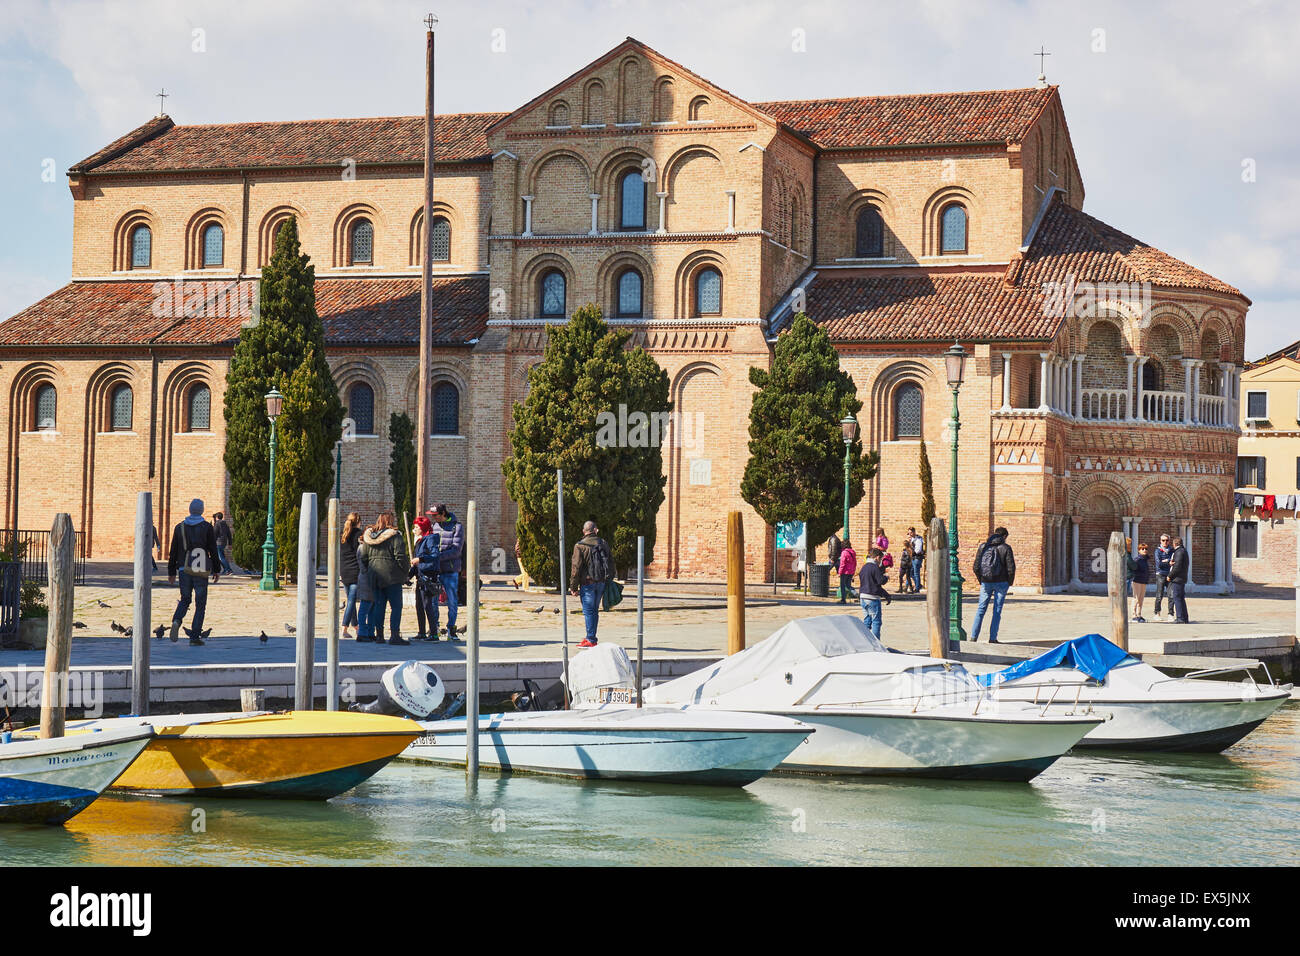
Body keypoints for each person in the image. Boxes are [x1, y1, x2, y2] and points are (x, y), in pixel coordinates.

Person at [166, 498, 220, 645]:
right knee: (200, 603)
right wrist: (216, 569)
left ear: (190, 510)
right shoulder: (207, 527)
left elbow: (173, 551)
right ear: (201, 510)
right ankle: (195, 636)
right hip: (200, 569)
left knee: (185, 599)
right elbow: (213, 550)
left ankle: (177, 620)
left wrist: (171, 572)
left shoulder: (179, 527)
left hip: (184, 568)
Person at [360, 511, 409, 645]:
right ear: (390, 521)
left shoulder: (368, 538)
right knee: (396, 607)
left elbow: (363, 557)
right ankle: (394, 635)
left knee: (379, 606)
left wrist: (369, 569)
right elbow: (400, 557)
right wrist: (406, 571)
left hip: (374, 576)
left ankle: (379, 636)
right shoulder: (395, 536)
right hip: (392, 576)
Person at [570, 519, 614, 647]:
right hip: (601, 582)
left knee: (588, 611)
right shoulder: (603, 543)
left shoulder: (580, 546)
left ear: (584, 531)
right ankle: (591, 637)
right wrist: (609, 579)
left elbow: (575, 568)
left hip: (587, 583)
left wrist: (573, 586)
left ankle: (591, 639)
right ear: (595, 530)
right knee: (594, 610)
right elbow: (611, 562)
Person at [971, 526, 1015, 643]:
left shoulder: (983, 547)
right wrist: (1008, 582)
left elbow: (975, 567)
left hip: (986, 582)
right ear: (1004, 536)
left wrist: (982, 580)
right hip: (1001, 583)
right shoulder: (1006, 548)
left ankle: (973, 637)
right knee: (997, 610)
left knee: (981, 609)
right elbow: (1011, 568)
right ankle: (992, 638)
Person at [428, 505, 465, 637]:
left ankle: (451, 627)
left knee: (452, 600)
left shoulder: (457, 527)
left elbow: (456, 550)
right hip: (436, 569)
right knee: (433, 600)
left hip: (450, 569)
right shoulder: (435, 526)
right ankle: (435, 627)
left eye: (435, 515)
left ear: (443, 513)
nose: (433, 517)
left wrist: (438, 556)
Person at [410, 515, 443, 641]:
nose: (414, 530)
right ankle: (422, 632)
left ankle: (433, 633)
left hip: (428, 576)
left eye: (416, 527)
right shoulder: (420, 541)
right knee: (419, 605)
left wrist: (421, 559)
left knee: (427, 605)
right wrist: (409, 575)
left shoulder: (431, 539)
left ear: (422, 528)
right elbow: (416, 562)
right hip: (420, 576)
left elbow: (435, 555)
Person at [857, 548, 891, 640]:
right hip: (872, 598)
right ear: (877, 557)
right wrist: (886, 578)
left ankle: (864, 641)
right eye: (880, 559)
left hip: (863, 597)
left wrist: (886, 595)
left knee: (867, 621)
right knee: (876, 622)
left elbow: (874, 585)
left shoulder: (864, 567)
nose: (880, 562)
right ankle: (876, 644)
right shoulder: (874, 567)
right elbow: (880, 581)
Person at [340, 512, 363, 640]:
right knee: (351, 601)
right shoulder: (358, 534)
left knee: (351, 600)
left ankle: (356, 627)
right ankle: (344, 628)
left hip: (344, 571)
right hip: (354, 571)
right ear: (358, 521)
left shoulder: (343, 535)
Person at [1165, 536, 1190, 624]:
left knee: (1177, 598)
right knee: (1181, 598)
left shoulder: (1179, 552)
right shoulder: (1184, 551)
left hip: (1178, 578)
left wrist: (1170, 576)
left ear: (1175, 544)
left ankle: (1180, 618)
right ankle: (1184, 617)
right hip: (1181, 577)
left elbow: (1177, 566)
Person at [1152, 534, 1174, 622]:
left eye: (1167, 540)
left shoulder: (1172, 550)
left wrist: (1166, 561)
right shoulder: (1158, 551)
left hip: (1170, 574)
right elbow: (1159, 564)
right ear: (1160, 541)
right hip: (1160, 574)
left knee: (1171, 595)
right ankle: (1157, 613)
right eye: (1163, 540)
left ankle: (1171, 614)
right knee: (1159, 595)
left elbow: (1174, 561)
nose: (1165, 542)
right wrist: (1168, 562)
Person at [1130, 542, 1151, 622]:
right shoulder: (1137, 560)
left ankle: (1139, 614)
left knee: (1141, 599)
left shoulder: (1145, 560)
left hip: (1144, 580)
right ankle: (1133, 614)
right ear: (1139, 550)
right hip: (1136, 580)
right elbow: (1134, 569)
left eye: (1146, 549)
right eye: (1142, 549)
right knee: (1136, 598)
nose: (1144, 550)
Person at [212, 511, 234, 575]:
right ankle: (225, 569)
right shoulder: (225, 524)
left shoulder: (217, 524)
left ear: (217, 517)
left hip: (218, 542)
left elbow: (215, 533)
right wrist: (230, 543)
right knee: (222, 556)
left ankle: (229, 570)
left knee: (220, 557)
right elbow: (229, 533)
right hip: (224, 542)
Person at [836, 540, 857, 604]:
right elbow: (855, 563)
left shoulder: (844, 553)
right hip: (851, 572)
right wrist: (853, 571)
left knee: (843, 586)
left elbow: (842, 564)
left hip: (844, 572)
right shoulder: (853, 552)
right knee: (848, 585)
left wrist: (839, 572)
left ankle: (843, 599)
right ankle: (856, 594)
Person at [908, 526, 925, 592]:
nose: (910, 534)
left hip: (917, 558)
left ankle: (917, 588)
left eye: (911, 533)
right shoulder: (911, 539)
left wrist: (911, 550)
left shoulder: (918, 539)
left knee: (916, 573)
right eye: (909, 533)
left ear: (914, 532)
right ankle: (918, 585)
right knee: (911, 573)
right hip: (913, 558)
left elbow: (918, 550)